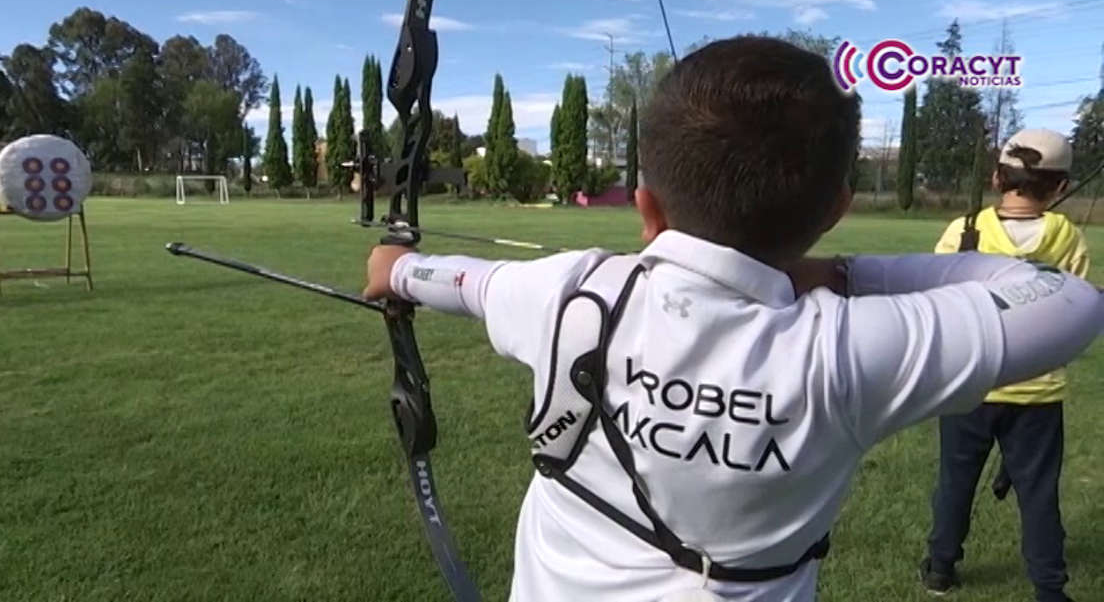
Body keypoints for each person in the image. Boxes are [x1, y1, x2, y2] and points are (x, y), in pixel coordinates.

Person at [363, 38, 1102, 602]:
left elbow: (460, 281)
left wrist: (395, 268)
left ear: (646, 207)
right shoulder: (849, 349)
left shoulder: (569, 289)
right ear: (836, 210)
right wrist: (844, 273)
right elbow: (1063, 297)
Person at [920, 129, 1090, 602]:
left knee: (955, 482)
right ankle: (1049, 589)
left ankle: (940, 568)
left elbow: (937, 300)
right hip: (1038, 393)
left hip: (968, 384)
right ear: (1060, 187)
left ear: (997, 178)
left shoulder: (963, 231)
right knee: (1039, 494)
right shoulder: (1067, 237)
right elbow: (1071, 313)